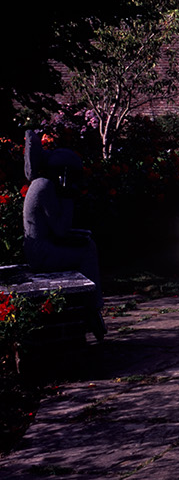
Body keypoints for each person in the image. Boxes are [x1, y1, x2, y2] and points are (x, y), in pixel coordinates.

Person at [23, 128, 105, 340]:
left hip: (42, 247)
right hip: (41, 254)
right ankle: (92, 309)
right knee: (88, 251)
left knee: (87, 244)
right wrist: (68, 196)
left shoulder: (40, 184)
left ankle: (91, 307)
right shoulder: (44, 186)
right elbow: (60, 229)